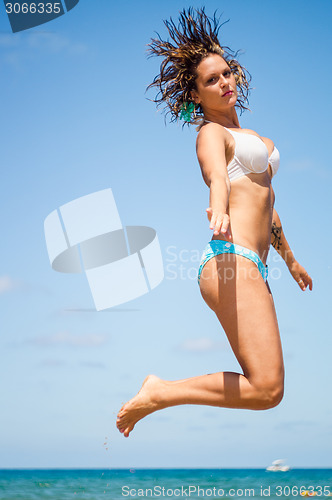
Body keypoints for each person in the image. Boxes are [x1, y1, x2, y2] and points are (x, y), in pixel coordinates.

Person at [116, 7, 313, 438]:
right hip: (230, 259)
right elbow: (217, 178)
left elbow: (266, 205)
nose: (224, 82)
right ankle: (160, 392)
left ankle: (161, 391)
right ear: (196, 96)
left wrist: (290, 260)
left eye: (227, 73)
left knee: (267, 390)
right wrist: (219, 207)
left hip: (250, 265)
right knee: (267, 389)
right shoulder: (210, 133)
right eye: (211, 80)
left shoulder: (252, 138)